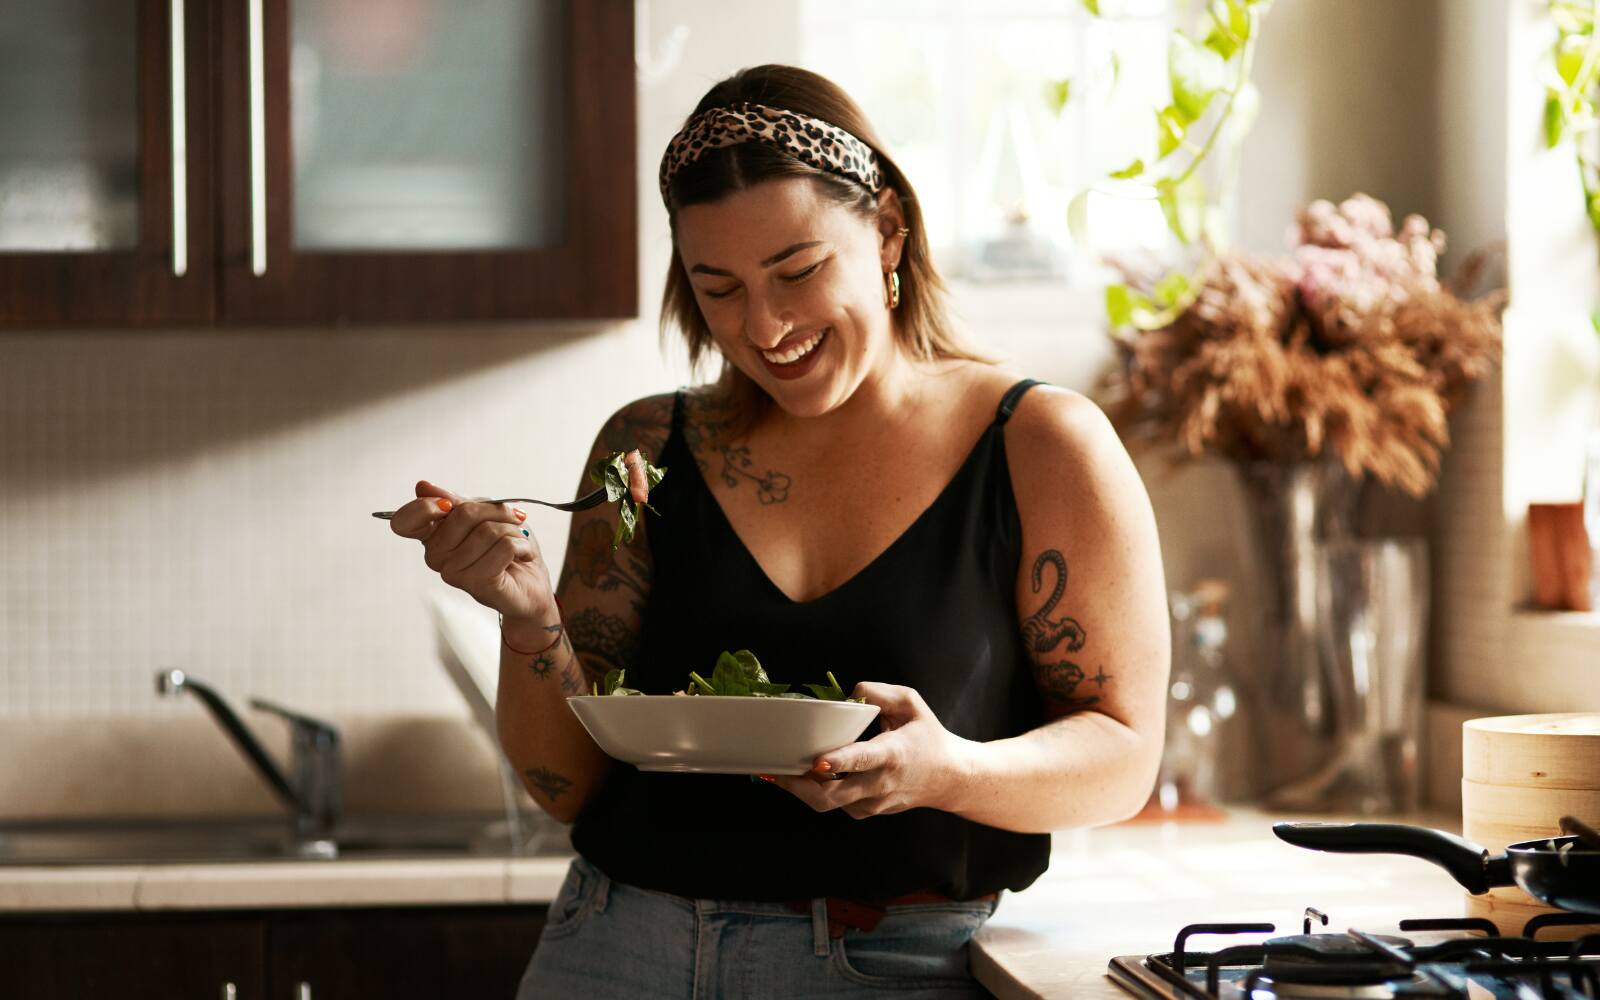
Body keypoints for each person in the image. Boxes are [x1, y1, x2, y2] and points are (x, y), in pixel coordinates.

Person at [388, 64, 1169, 999]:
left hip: (893, 967)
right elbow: (566, 790)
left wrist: (943, 772)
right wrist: (526, 617)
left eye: (798, 271)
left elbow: (1123, 757)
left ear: (888, 229)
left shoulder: (1039, 447)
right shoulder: (647, 448)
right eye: (718, 288)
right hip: (612, 945)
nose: (764, 327)